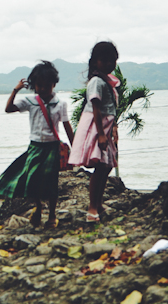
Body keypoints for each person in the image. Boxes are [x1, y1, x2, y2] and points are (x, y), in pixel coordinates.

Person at [0, 60, 75, 229]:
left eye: (46, 85)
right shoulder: (30, 101)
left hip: (52, 147)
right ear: (34, 85)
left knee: (52, 183)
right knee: (31, 181)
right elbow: (8, 109)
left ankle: (51, 215)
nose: (42, 89)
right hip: (35, 147)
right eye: (39, 85)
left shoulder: (61, 104)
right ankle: (38, 206)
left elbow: (67, 126)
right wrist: (15, 90)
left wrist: (75, 148)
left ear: (54, 84)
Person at [68, 41, 121, 223]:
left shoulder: (107, 81)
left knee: (106, 166)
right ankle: (92, 207)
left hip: (106, 125)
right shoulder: (97, 81)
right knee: (100, 167)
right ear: (95, 61)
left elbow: (111, 108)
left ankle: (98, 203)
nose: (109, 64)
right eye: (104, 60)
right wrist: (100, 134)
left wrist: (113, 127)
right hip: (97, 126)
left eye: (112, 60)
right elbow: (96, 108)